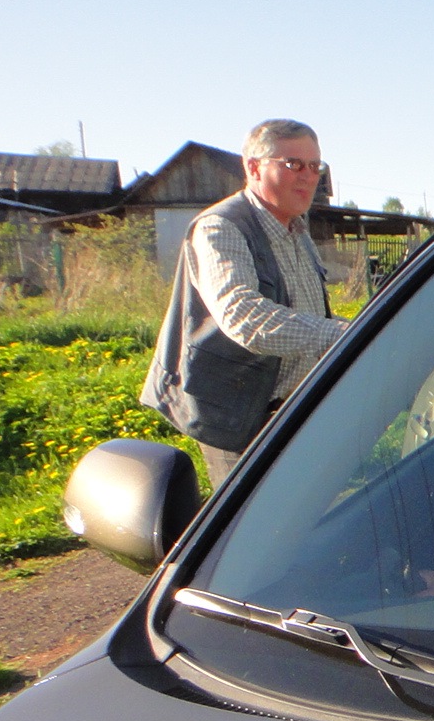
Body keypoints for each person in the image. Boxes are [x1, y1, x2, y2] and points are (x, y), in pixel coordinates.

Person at [141, 119, 348, 487]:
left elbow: (309, 313)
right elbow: (244, 317)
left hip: (293, 408)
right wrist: (340, 335)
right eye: (293, 164)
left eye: (315, 166)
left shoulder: (297, 230)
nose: (308, 176)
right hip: (237, 415)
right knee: (252, 516)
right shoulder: (221, 227)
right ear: (253, 167)